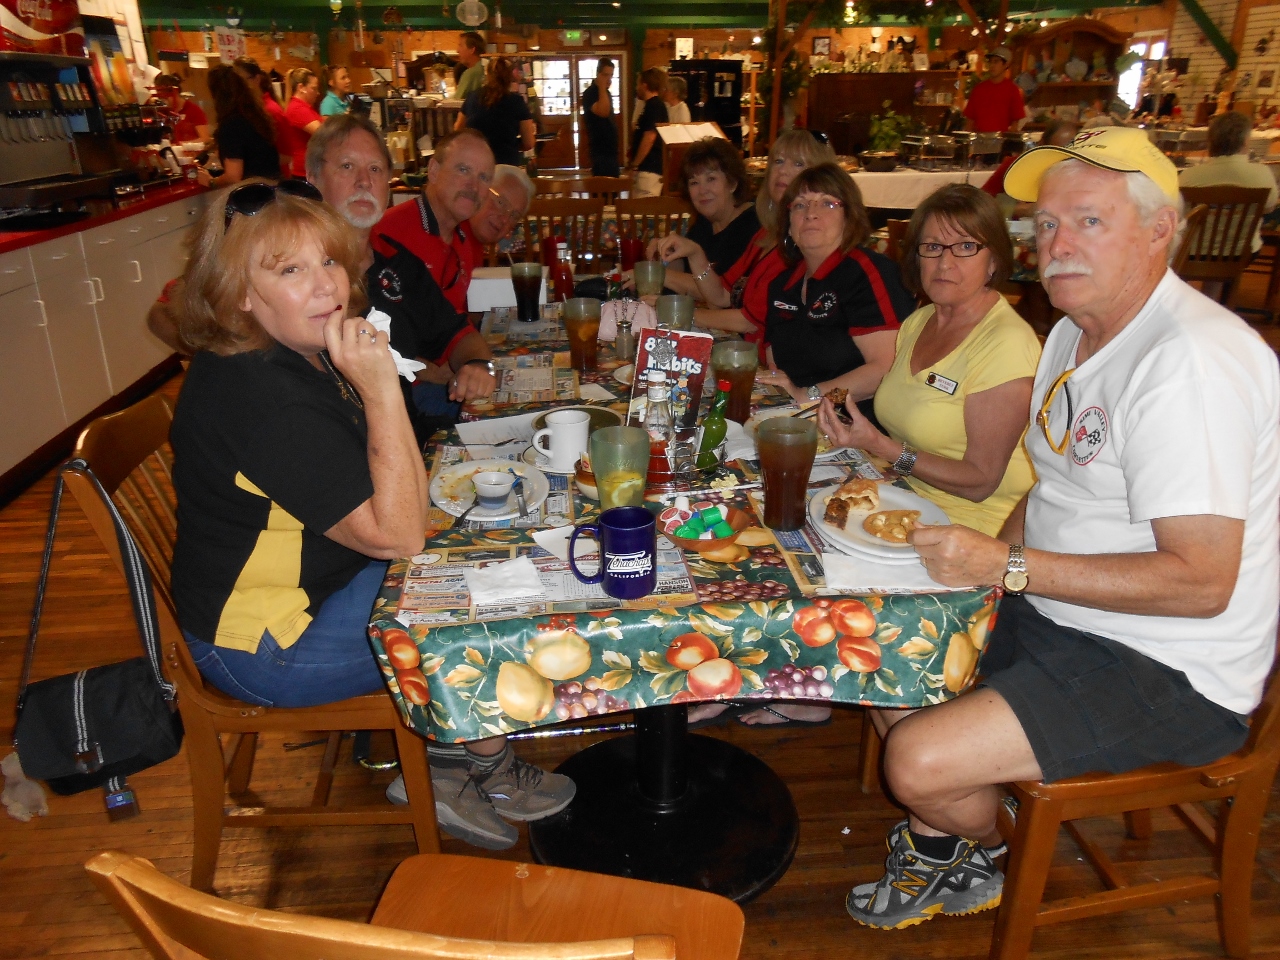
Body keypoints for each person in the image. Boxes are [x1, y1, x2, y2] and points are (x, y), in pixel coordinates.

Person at [845, 126, 1279, 931]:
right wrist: (994, 567)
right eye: (1045, 224)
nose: (1058, 245)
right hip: (1059, 612)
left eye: (1089, 221)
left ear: (1161, 230)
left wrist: (1006, 567)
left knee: (916, 758)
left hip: (1168, 666)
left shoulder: (1190, 365)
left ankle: (979, 845)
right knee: (877, 656)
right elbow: (1050, 485)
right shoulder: (1076, 335)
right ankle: (950, 842)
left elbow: (1201, 581)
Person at [819, 184, 1040, 538]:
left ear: (994, 259)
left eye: (966, 247)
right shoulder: (920, 320)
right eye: (933, 247)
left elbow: (980, 482)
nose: (944, 263)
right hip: (903, 504)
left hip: (969, 531)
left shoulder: (1006, 343)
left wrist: (880, 446)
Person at [305, 116, 497, 436]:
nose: (365, 181)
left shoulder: (398, 265)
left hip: (404, 437)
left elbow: (458, 334)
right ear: (312, 178)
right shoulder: (293, 277)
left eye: (376, 169)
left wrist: (477, 366)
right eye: (348, 166)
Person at [758, 162, 915, 422]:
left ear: (849, 216)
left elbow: (887, 368)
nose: (810, 213)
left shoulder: (868, 273)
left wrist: (808, 396)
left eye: (827, 203)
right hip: (799, 419)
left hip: (861, 425)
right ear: (788, 225)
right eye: (799, 205)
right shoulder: (783, 285)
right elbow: (777, 366)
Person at [692, 130, 835, 354]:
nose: (783, 171)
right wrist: (694, 254)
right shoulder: (766, 235)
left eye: (797, 163)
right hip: (746, 355)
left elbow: (748, 321)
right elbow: (721, 294)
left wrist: (676, 314)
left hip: (773, 368)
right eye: (777, 161)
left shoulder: (806, 245)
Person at [371, 128, 493, 314]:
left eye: (483, 177)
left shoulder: (463, 242)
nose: (474, 186)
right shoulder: (386, 234)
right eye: (463, 170)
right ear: (433, 171)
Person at [646, 137, 760, 299]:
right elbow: (685, 273)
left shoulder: (752, 225)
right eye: (694, 182)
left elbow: (720, 293)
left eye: (711, 179)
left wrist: (654, 275)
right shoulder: (704, 223)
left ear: (733, 183)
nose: (702, 190)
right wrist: (668, 254)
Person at [1178, 109, 1278, 252]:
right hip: (1241, 253)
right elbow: (1269, 207)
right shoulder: (1262, 174)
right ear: (1245, 142)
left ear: (1210, 142)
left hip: (1192, 254)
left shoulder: (1188, 176)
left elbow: (1178, 212)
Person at [197, 65, 282, 188]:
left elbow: (233, 176)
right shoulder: (255, 115)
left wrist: (211, 181)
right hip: (272, 187)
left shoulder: (231, 123)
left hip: (253, 194)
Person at [456, 57, 535, 167]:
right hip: (506, 163)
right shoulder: (516, 102)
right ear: (510, 76)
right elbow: (528, 143)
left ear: (487, 75)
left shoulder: (472, 98)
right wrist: (510, 145)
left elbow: (457, 130)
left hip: (475, 162)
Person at [233, 57, 289, 176]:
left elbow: (287, 155)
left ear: (257, 79)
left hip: (272, 180)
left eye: (241, 81)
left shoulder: (271, 110)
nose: (237, 87)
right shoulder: (245, 110)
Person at [964, 46, 1026, 134]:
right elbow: (969, 121)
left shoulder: (1012, 90)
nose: (992, 65)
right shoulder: (979, 89)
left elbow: (1015, 124)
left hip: (1002, 142)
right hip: (979, 142)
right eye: (990, 62)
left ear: (1006, 64)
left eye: (996, 62)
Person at [628, 68, 669, 198]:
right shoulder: (650, 106)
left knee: (644, 212)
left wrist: (635, 164)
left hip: (649, 169)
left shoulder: (655, 106)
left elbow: (649, 138)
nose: (636, 87)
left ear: (645, 85)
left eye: (638, 84)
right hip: (646, 169)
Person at [280, 67, 323, 177]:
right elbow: (323, 133)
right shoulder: (298, 109)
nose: (317, 93)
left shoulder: (304, 107)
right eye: (314, 89)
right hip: (303, 170)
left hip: (309, 167)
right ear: (301, 88)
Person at [582, 58, 620, 177]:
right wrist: (602, 87)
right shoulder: (590, 93)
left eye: (611, 75)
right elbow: (603, 112)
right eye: (605, 75)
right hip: (599, 149)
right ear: (598, 74)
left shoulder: (607, 93)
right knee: (602, 188)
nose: (609, 79)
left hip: (611, 149)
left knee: (613, 188)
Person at [154, 74, 208, 144]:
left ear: (175, 92)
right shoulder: (164, 112)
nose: (164, 102)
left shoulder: (194, 110)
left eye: (165, 98)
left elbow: (205, 139)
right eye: (160, 98)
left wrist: (181, 145)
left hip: (190, 153)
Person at [455, 31, 486, 102]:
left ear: (472, 49)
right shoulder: (487, 69)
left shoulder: (470, 74)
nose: (457, 50)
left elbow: (456, 102)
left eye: (460, 45)